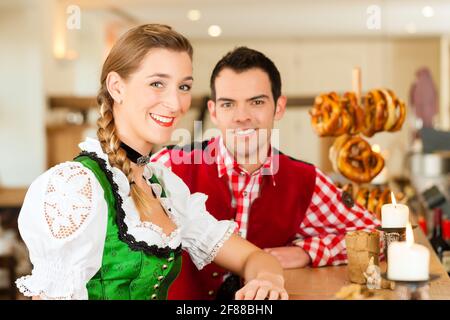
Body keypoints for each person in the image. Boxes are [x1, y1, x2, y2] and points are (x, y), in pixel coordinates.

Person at [15, 26, 288, 300]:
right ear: (116, 87)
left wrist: (267, 280)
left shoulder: (165, 187)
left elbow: (254, 258)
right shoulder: (76, 186)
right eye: (157, 83)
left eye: (184, 87)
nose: (175, 102)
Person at [151, 47, 381, 300]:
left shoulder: (305, 180)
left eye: (257, 102)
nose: (242, 117)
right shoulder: (168, 168)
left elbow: (378, 236)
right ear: (214, 111)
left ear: (279, 107)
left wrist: (308, 252)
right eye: (228, 104)